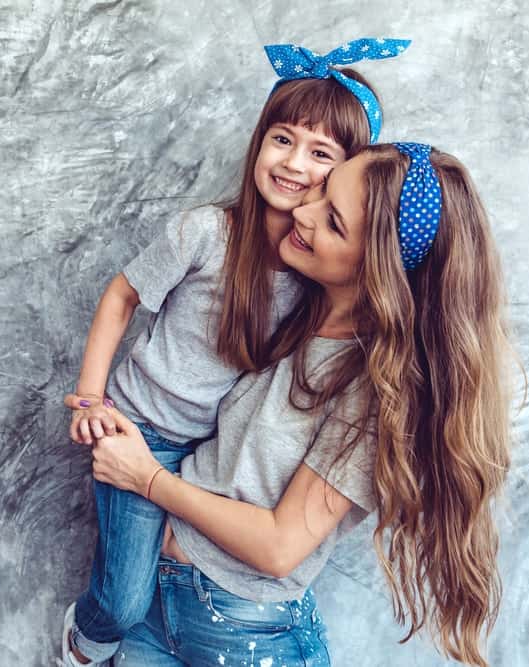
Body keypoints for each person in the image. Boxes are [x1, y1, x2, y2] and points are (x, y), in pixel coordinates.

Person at [88, 143, 514, 667]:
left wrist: (146, 479)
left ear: (378, 270)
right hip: (156, 605)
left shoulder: (377, 396)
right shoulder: (295, 307)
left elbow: (280, 547)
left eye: (333, 222)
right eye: (321, 193)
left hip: (247, 636)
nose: (303, 213)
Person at [60, 39, 412, 666]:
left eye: (321, 155)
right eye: (282, 139)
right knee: (119, 602)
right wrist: (91, 397)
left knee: (133, 595)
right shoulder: (206, 233)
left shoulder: (322, 291)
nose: (295, 164)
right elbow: (122, 296)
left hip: (203, 473)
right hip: (138, 427)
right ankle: (80, 645)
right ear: (258, 141)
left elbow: (280, 524)